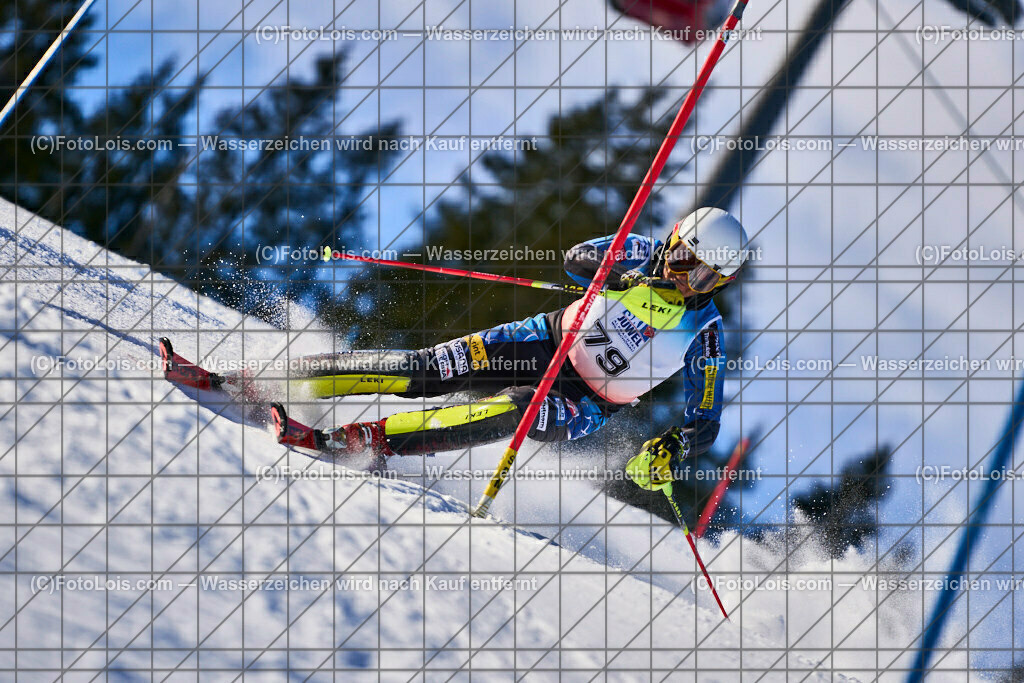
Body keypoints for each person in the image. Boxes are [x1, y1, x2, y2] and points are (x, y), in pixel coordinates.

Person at [273, 207, 749, 491]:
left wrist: (676, 445)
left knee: (518, 409)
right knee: (425, 371)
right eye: (685, 261)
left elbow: (705, 420)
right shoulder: (641, 252)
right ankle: (280, 377)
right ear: (672, 242)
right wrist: (619, 276)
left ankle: (370, 440)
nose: (685, 281)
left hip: (584, 404)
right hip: (540, 341)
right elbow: (576, 259)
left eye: (704, 276)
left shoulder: (704, 331)